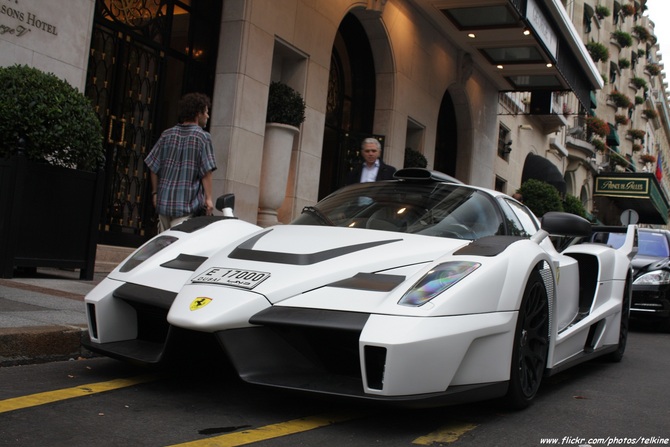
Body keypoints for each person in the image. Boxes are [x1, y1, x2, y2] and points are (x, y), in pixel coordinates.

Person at [145, 92, 217, 232]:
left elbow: (153, 166)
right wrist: (209, 199)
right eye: (206, 112)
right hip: (186, 207)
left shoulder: (166, 135)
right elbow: (206, 172)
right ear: (198, 113)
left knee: (164, 249)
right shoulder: (203, 138)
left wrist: (155, 193)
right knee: (177, 249)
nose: (207, 116)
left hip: (164, 205)